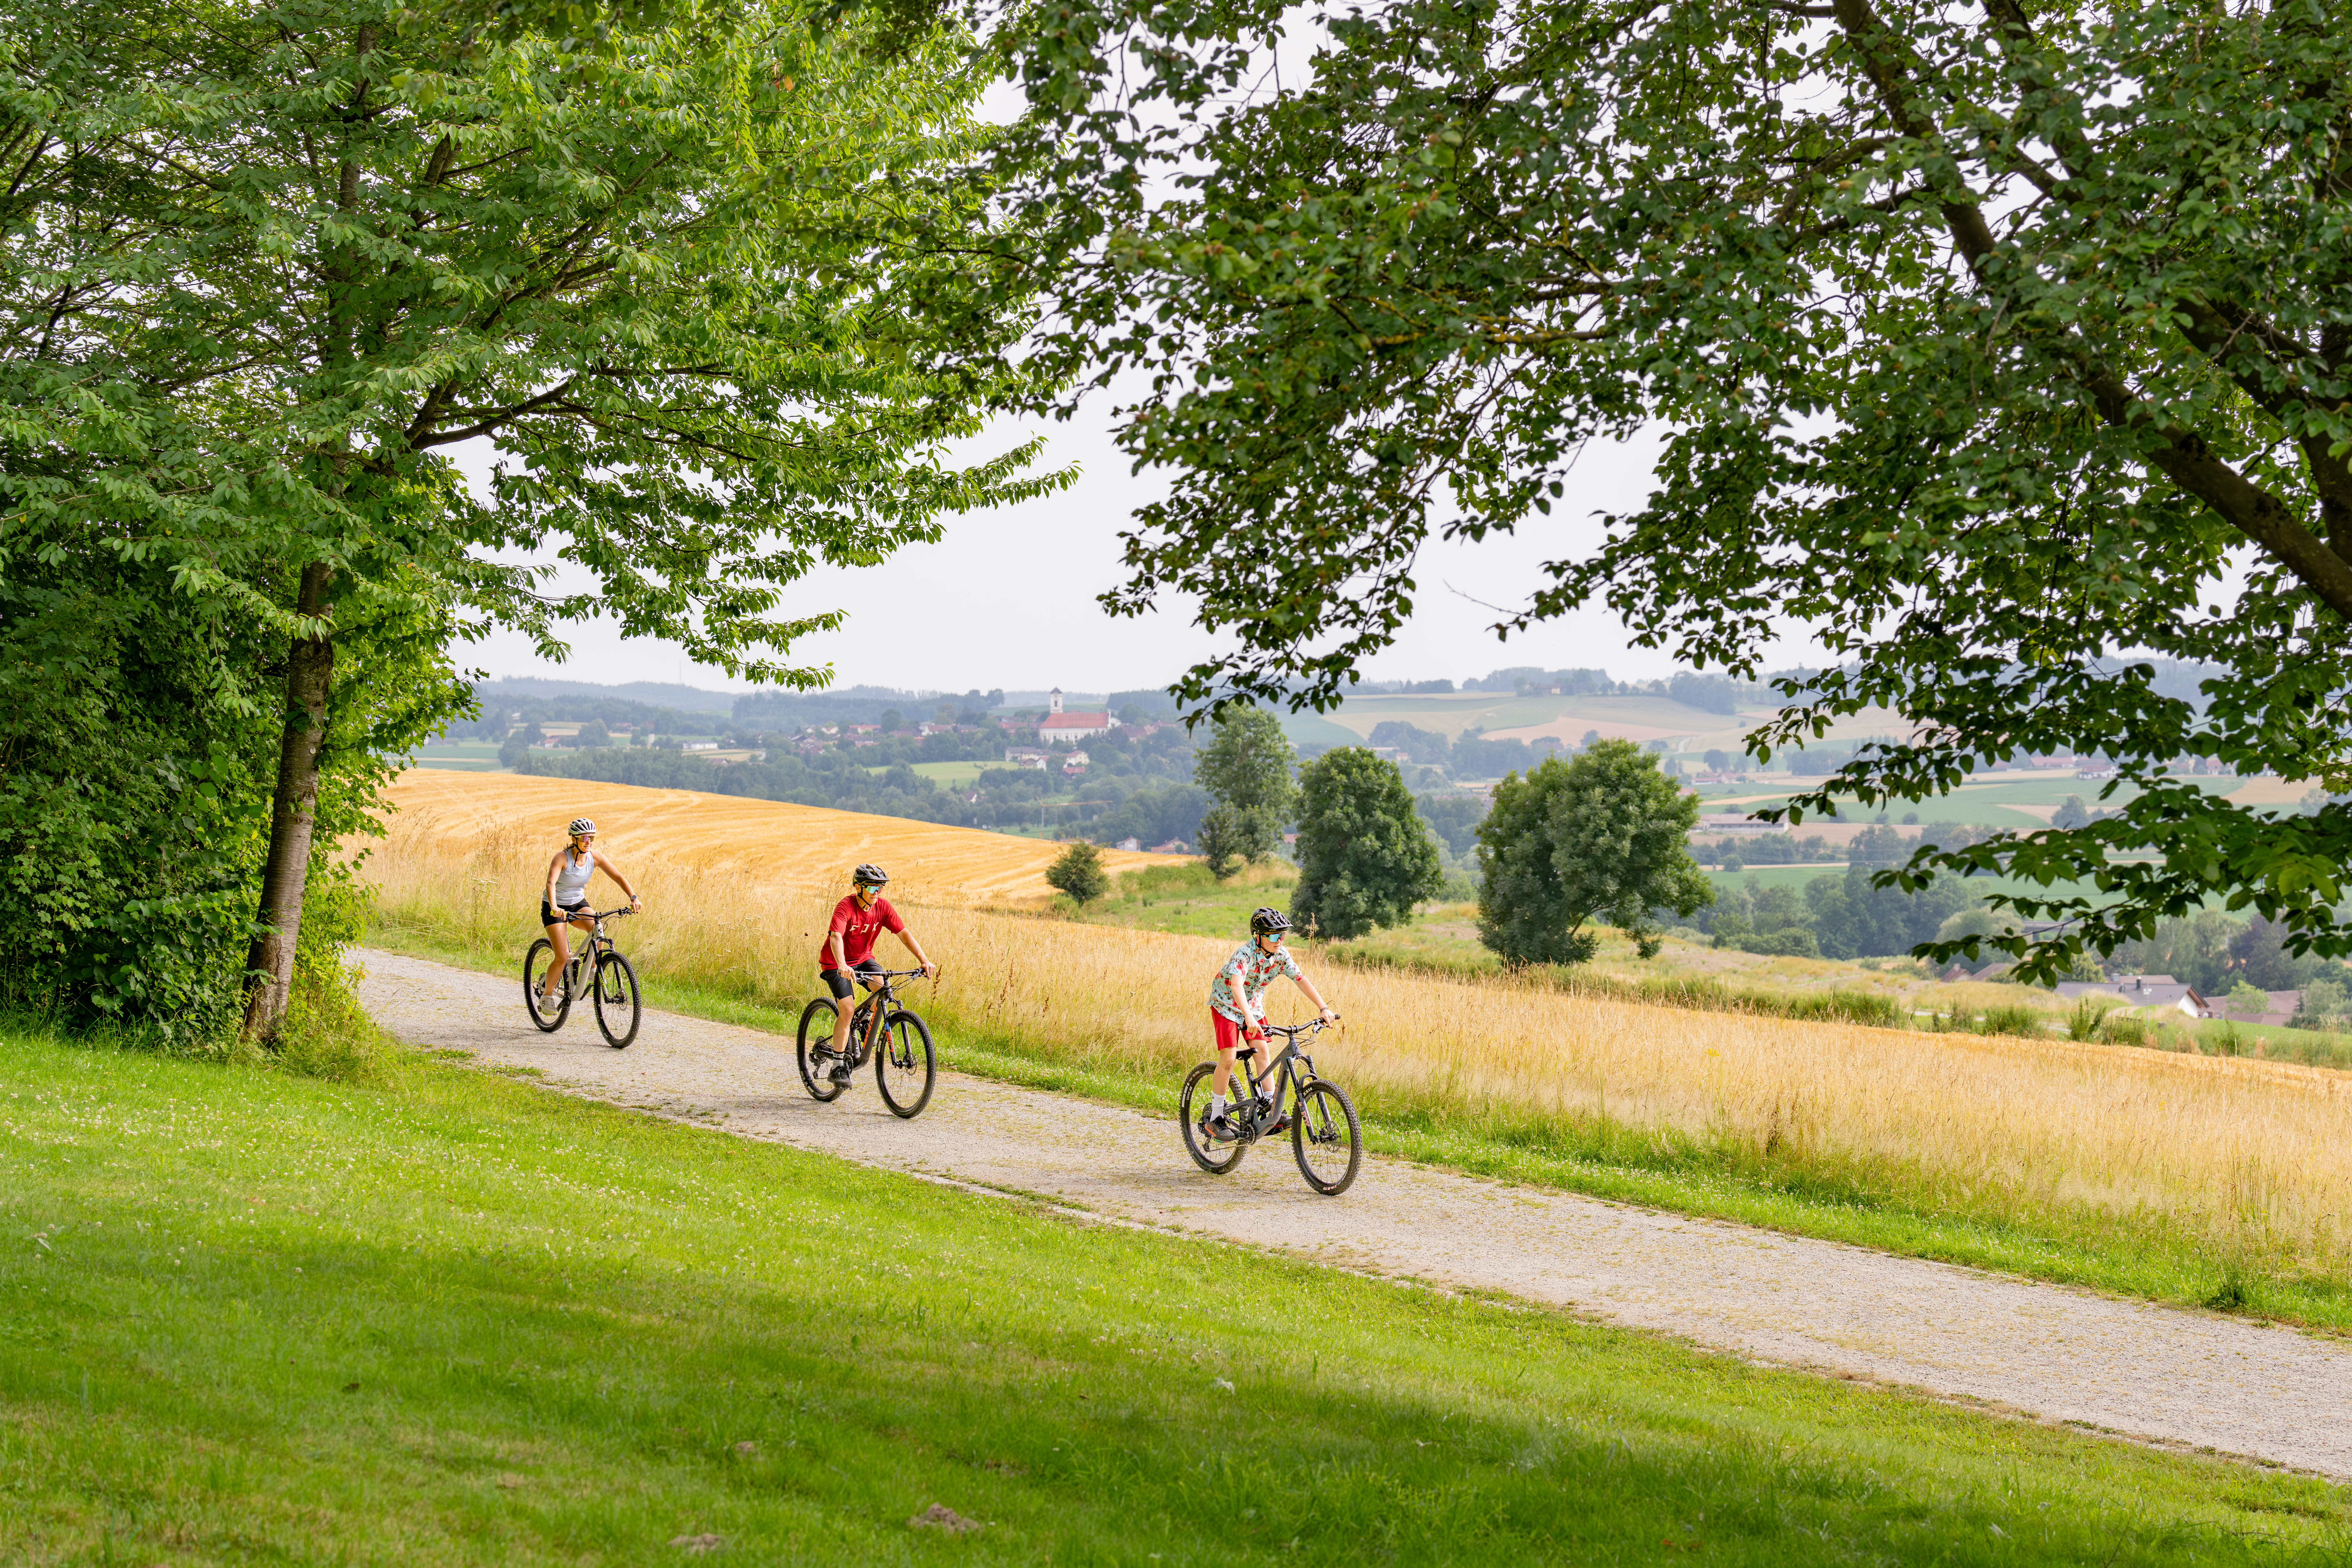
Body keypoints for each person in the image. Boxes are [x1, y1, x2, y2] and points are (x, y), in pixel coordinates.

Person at [1201, 907, 1337, 1141]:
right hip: (1226, 1004)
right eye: (1274, 936)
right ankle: (1215, 1118)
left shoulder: (1281, 955)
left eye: (1282, 935)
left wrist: (1324, 1008)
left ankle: (1270, 1106)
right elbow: (1236, 987)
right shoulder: (1243, 955)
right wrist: (1248, 1018)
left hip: (1252, 1006)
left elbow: (1301, 980)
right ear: (1258, 936)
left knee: (1263, 1050)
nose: (1279, 940)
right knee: (1229, 1059)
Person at [818, 864, 938, 1082]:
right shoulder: (846, 906)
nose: (877, 893)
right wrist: (843, 965)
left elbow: (904, 934)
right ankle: (837, 1065)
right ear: (858, 887)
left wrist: (924, 960)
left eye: (880, 889)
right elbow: (836, 936)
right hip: (836, 963)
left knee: (884, 987)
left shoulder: (883, 907)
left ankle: (864, 1022)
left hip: (863, 959)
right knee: (847, 1009)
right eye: (873, 889)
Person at [538, 818, 642, 1002]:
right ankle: (546, 996)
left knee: (597, 926)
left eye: (592, 838)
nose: (589, 842)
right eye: (585, 837)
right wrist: (554, 907)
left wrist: (633, 897)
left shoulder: (595, 857)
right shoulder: (562, 858)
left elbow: (618, 877)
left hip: (577, 903)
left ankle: (593, 969)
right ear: (574, 838)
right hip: (555, 907)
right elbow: (551, 883)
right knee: (562, 957)